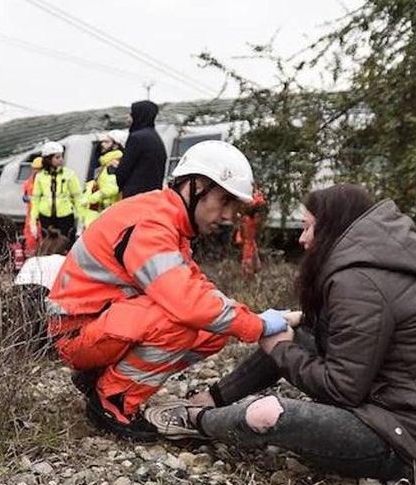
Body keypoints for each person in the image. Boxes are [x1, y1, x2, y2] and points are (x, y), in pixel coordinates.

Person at [145, 184, 416, 480]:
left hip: (415, 443)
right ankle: (211, 400)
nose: (302, 239)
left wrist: (281, 350)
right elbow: (358, 334)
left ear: (331, 228)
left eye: (307, 228)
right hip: (402, 411)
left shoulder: (359, 282)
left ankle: (196, 420)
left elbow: (342, 388)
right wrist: (295, 326)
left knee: (268, 412)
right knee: (292, 338)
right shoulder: (376, 269)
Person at [46, 140, 293, 441]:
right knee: (182, 320)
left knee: (213, 330)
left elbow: (196, 288)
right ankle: (113, 400)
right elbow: (187, 303)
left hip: (93, 325)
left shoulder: (166, 220)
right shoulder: (152, 224)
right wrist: (258, 325)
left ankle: (103, 377)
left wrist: (247, 317)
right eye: (226, 201)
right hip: (77, 334)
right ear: (195, 186)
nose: (229, 216)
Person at [30, 141, 83, 242]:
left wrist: (81, 219)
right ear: (48, 159)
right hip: (46, 217)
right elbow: (35, 200)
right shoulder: (40, 176)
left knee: (65, 243)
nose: (61, 160)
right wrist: (33, 222)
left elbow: (77, 197)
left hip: (65, 216)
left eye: (61, 156)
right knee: (48, 245)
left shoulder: (69, 174)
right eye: (57, 157)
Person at [114, 100, 166, 198]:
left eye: (131, 114)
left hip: (135, 196)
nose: (128, 118)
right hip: (152, 196)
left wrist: (116, 169)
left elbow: (124, 170)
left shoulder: (137, 137)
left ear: (139, 115)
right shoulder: (155, 137)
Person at [79, 129, 125, 228]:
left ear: (116, 145)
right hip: (100, 214)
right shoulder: (106, 163)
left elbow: (112, 188)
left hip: (105, 214)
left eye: (107, 142)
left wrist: (90, 199)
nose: (102, 144)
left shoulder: (113, 164)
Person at [235, 189, 267, 280]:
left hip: (249, 242)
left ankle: (250, 278)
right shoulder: (250, 220)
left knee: (252, 261)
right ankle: (249, 279)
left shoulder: (245, 219)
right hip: (248, 242)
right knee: (249, 262)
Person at [21, 156, 43, 256]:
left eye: (39, 169)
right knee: (30, 238)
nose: (36, 171)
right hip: (31, 215)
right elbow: (25, 196)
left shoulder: (46, 181)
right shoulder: (28, 182)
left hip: (43, 214)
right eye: (35, 169)